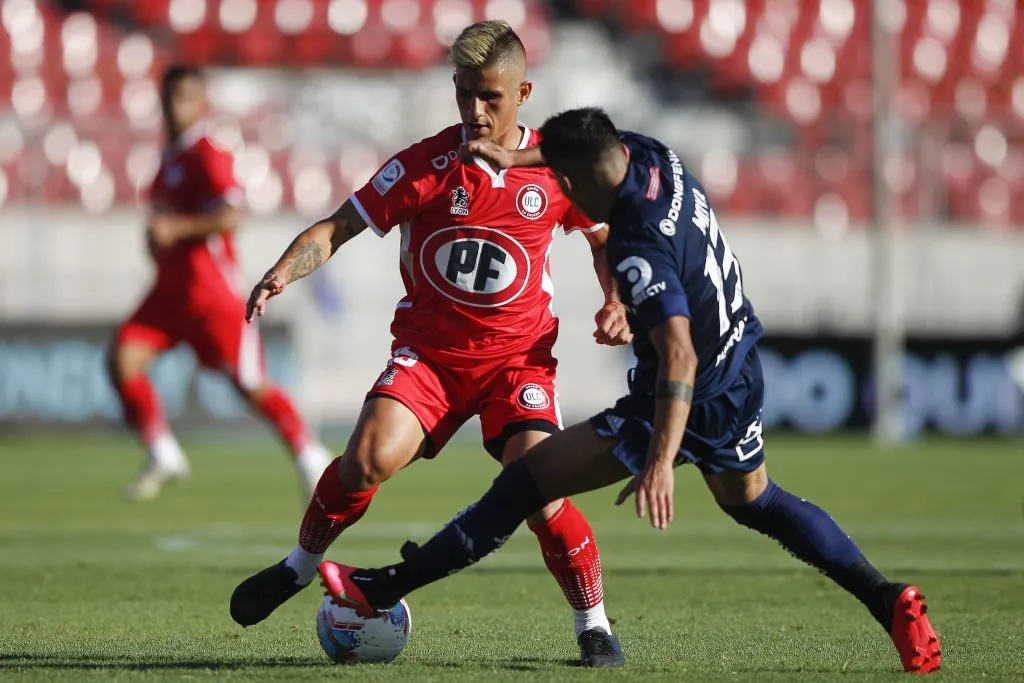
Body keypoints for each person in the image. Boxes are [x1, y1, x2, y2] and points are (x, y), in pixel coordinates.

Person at [316, 107, 943, 675]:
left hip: (684, 394)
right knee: (755, 501)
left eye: (565, 183)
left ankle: (384, 587)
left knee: (526, 481)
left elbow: (678, 353)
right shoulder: (652, 156)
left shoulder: (639, 243)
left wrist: (662, 459)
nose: (563, 192)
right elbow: (576, 147)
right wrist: (512, 158)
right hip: (741, 364)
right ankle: (889, 600)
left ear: (582, 179)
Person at [228, 22, 630, 668]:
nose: (475, 111)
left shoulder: (556, 170)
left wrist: (616, 297)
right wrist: (285, 269)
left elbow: (606, 238)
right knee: (364, 460)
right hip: (432, 362)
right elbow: (337, 228)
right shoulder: (426, 165)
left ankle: (595, 625)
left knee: (542, 491)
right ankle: (299, 566)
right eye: (464, 94)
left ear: (523, 92)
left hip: (515, 364)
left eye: (490, 97)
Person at [108, 65, 332, 501]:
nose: (173, 109)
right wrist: (158, 242)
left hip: (211, 293)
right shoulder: (169, 156)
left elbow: (231, 216)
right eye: (168, 99)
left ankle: (310, 454)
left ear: (200, 103)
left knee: (249, 385)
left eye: (182, 99)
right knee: (122, 360)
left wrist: (177, 230)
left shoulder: (207, 152)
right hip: (170, 291)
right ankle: (163, 452)